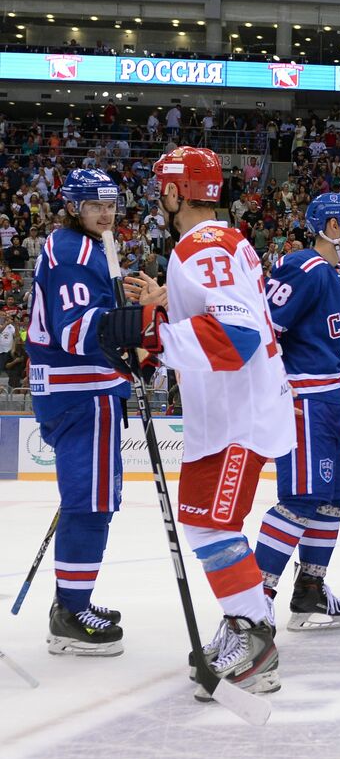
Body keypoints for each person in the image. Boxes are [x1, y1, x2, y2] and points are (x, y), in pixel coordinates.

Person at [110, 146, 294, 699]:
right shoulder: (214, 241)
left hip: (241, 414)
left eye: (160, 188)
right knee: (201, 520)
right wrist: (162, 319)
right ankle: (244, 620)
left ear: (173, 192)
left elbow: (235, 337)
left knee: (213, 525)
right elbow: (220, 319)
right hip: (222, 414)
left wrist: (155, 340)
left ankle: (255, 641)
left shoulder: (202, 245)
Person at [252, 193, 340, 632]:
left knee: (333, 498)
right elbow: (267, 332)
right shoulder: (303, 267)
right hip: (305, 401)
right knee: (301, 500)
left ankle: (311, 593)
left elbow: (328, 339)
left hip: (334, 401)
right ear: (332, 226)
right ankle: (255, 599)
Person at [27, 169, 128, 656]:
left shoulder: (83, 245)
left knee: (92, 499)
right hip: (83, 392)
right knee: (91, 504)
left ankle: (73, 598)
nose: (105, 214)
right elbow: (75, 331)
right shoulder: (75, 252)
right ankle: (70, 612)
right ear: (73, 207)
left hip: (76, 390)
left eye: (110, 205)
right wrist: (141, 325)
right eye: (95, 206)